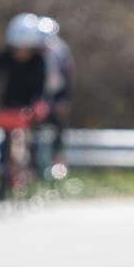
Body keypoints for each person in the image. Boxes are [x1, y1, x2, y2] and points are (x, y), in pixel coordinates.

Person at [0, 13, 52, 200]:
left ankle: (32, 170)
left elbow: (42, 86)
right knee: (4, 141)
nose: (21, 52)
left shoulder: (38, 60)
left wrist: (40, 103)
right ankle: (2, 179)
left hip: (29, 104)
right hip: (9, 102)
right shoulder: (4, 57)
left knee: (32, 137)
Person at [38, 16, 75, 171]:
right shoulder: (31, 49)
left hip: (55, 93)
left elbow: (67, 75)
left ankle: (57, 161)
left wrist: (63, 99)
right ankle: (33, 164)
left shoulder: (61, 50)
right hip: (37, 94)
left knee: (57, 126)